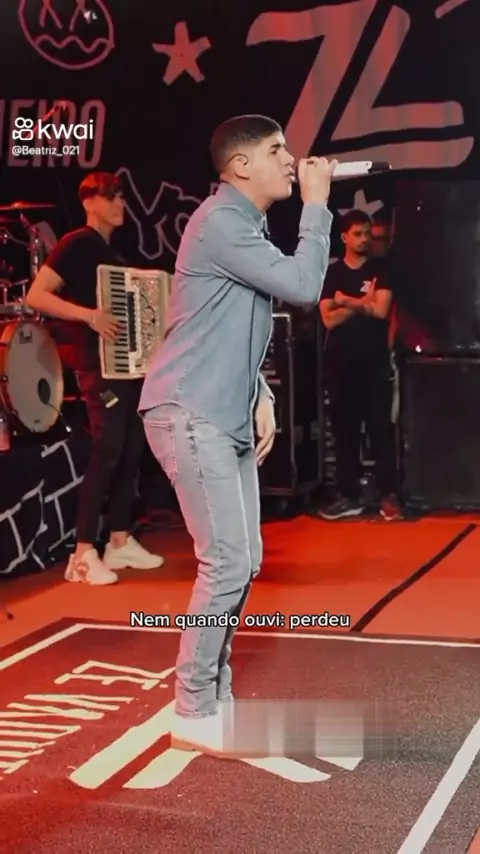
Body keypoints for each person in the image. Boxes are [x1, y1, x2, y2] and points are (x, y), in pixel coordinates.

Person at [139, 114, 336, 755]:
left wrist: (263, 393)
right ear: (241, 165)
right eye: (277, 150)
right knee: (226, 560)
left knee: (243, 560)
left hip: (222, 411)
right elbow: (304, 287)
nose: (291, 160)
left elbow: (225, 324)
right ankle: (193, 706)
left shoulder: (242, 225)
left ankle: (212, 696)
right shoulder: (221, 221)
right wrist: (315, 206)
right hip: (190, 409)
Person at [25, 172, 164, 585]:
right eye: (111, 197)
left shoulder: (110, 252)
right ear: (89, 202)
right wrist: (89, 316)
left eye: (121, 197)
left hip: (124, 367)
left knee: (130, 450)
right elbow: (36, 295)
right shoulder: (77, 243)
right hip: (97, 366)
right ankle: (82, 553)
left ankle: (119, 539)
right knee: (108, 452)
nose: (121, 204)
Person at [319, 209, 402, 521]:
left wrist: (347, 301)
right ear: (344, 237)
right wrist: (363, 301)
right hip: (341, 364)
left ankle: (388, 495)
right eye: (358, 234)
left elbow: (381, 311)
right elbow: (328, 319)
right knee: (345, 432)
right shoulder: (333, 274)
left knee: (381, 430)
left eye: (367, 233)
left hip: (374, 363)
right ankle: (349, 495)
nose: (364, 239)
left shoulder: (382, 269)